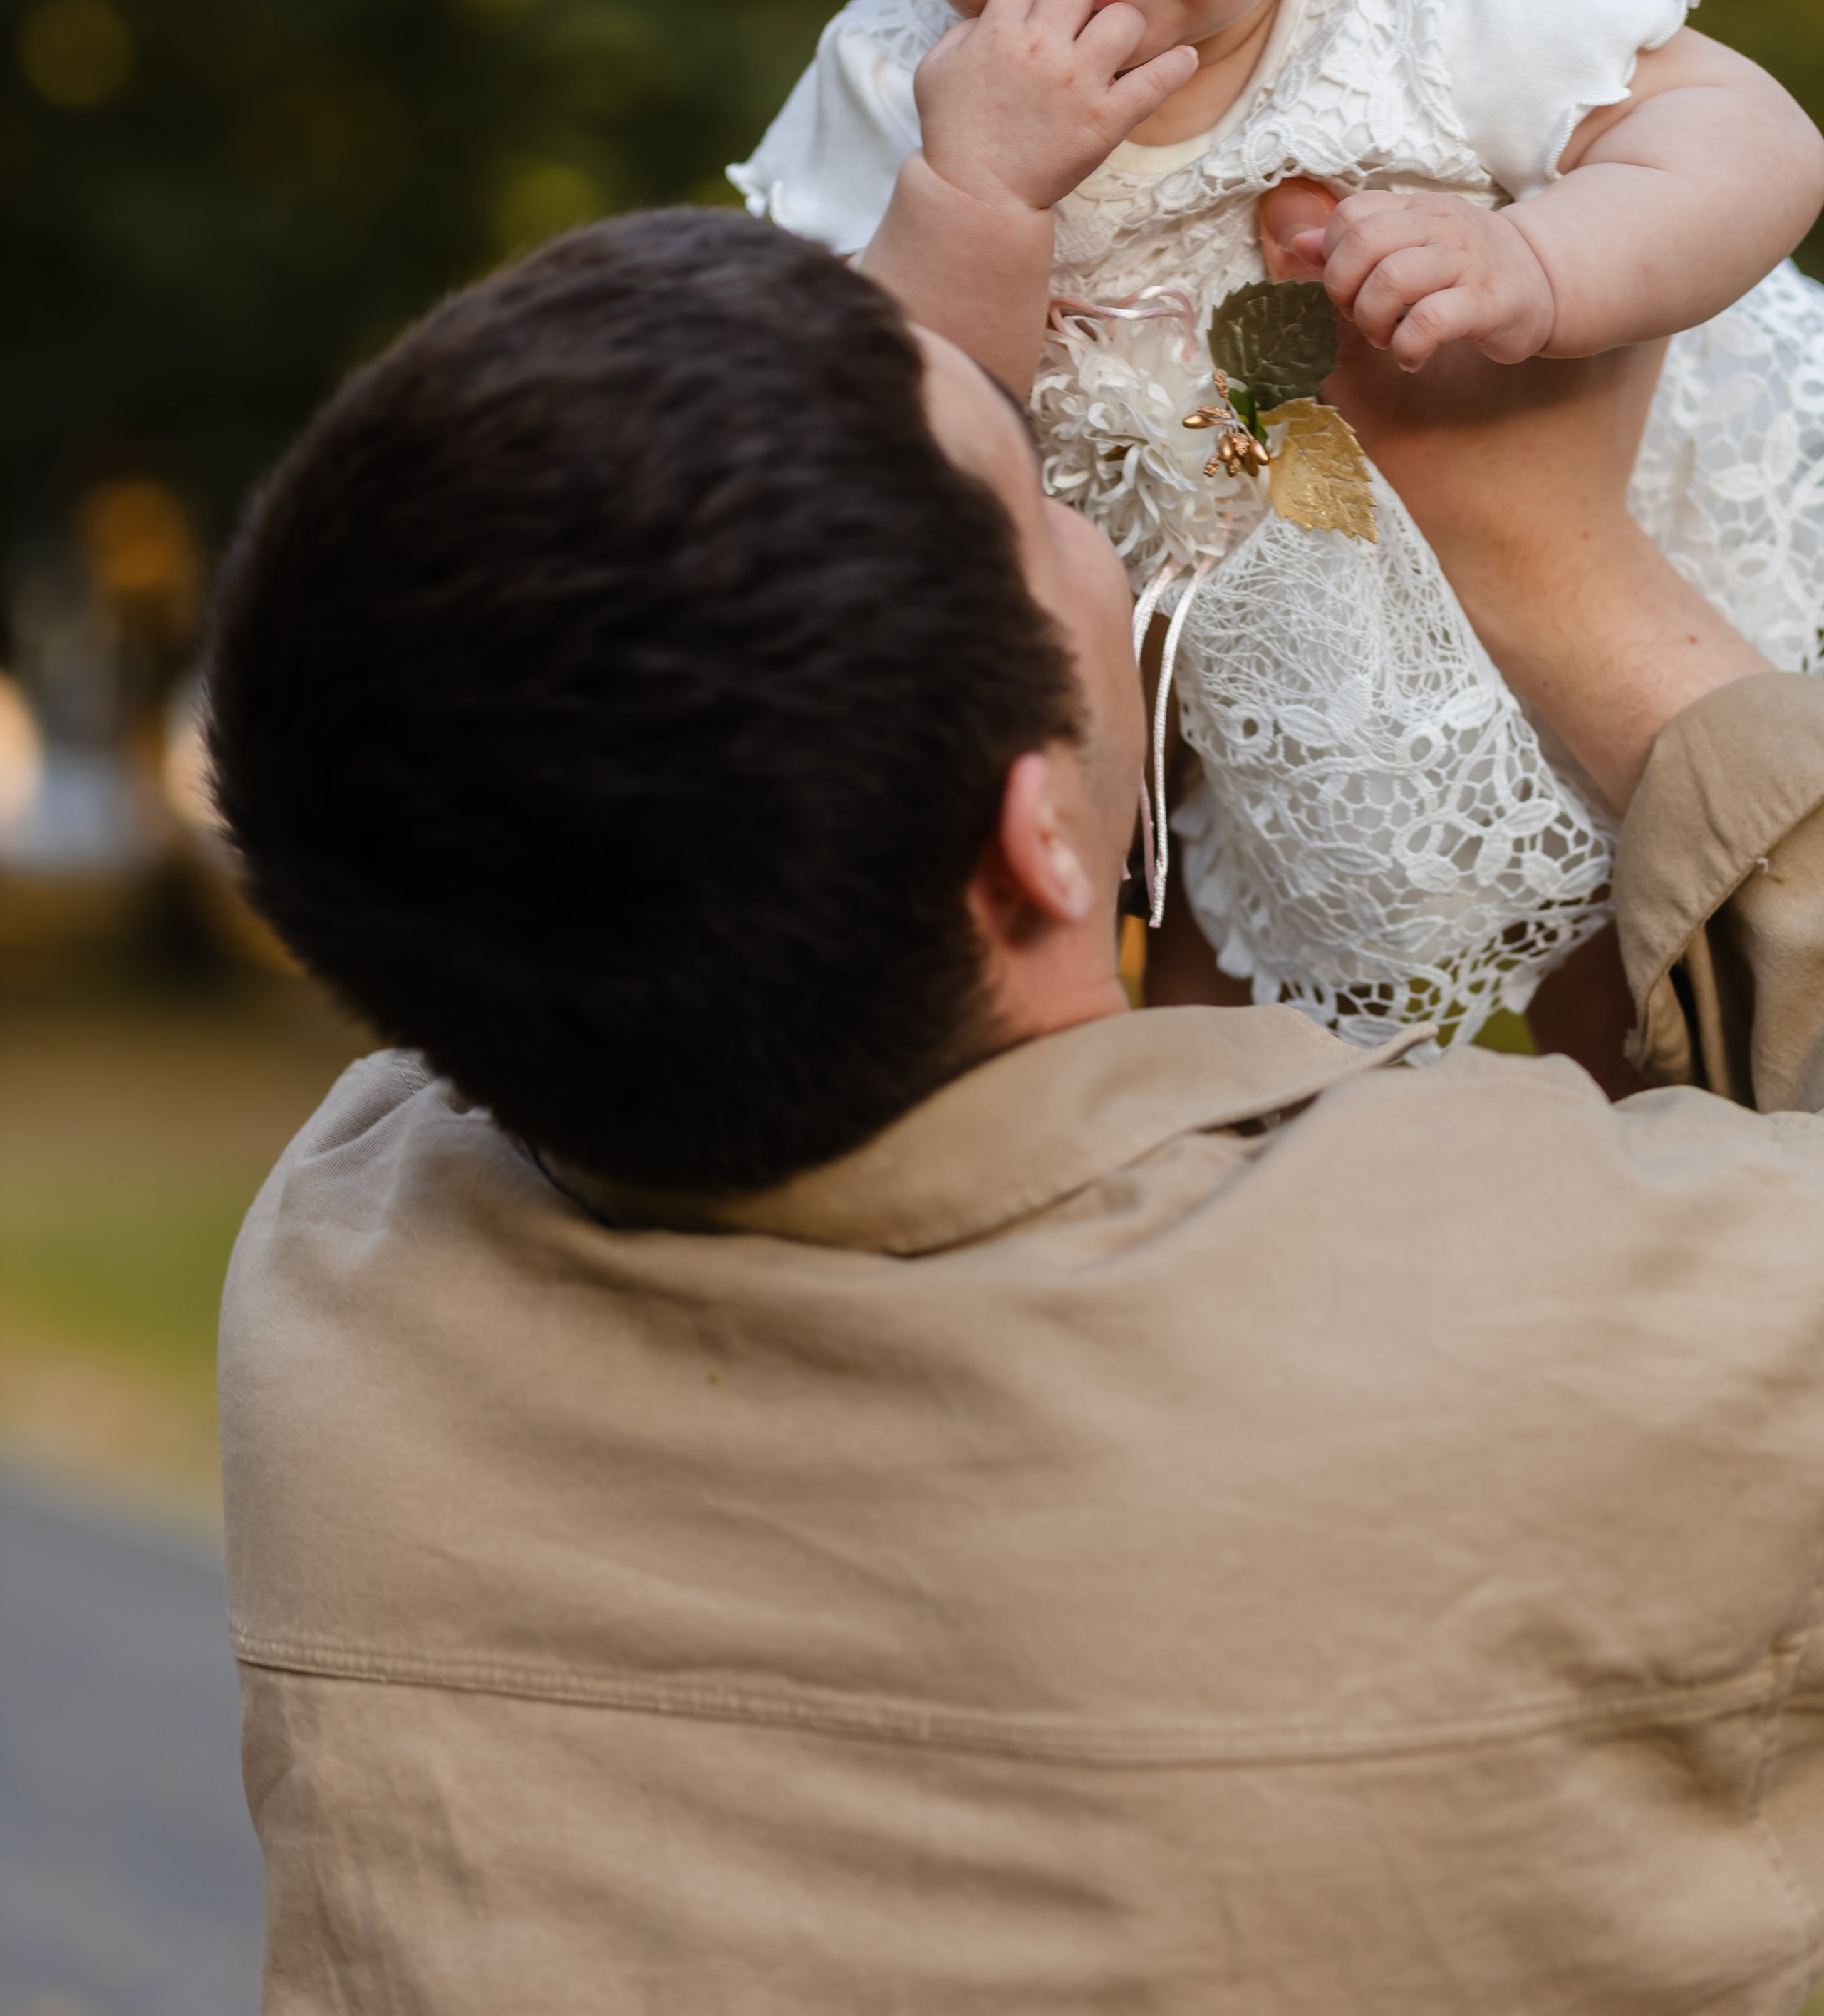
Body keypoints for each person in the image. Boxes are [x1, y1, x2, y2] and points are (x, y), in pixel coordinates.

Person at [213, 209, 1824, 2013]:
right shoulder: (1588, 1318)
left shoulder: (339, 1284)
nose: (1084, 508)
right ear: (1027, 839)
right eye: (1043, 497)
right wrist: (1558, 572)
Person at [732, 0, 1824, 1075]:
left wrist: (1542, 261)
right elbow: (879, 432)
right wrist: (977, 194)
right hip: (1250, 693)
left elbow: (1749, 140)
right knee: (1213, 1048)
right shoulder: (897, 89)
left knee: (1656, 993)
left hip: (1645, 558)